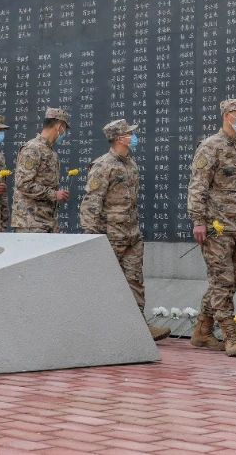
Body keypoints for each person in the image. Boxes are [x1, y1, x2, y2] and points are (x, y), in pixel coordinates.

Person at [80, 119, 169, 342]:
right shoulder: (102, 165)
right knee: (105, 282)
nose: (134, 137)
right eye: (130, 134)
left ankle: (138, 328)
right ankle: (97, 328)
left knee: (135, 280)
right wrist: (92, 238)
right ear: (120, 138)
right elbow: (91, 203)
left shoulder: (130, 163)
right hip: (111, 235)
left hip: (132, 234)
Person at [187, 98, 236, 358]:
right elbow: (198, 186)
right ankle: (230, 336)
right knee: (222, 281)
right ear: (227, 115)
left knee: (228, 282)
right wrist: (198, 221)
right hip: (216, 227)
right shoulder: (209, 147)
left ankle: (202, 331)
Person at [12, 109, 70, 233]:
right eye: (65, 128)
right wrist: (54, 194)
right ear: (59, 126)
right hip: (30, 223)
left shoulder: (50, 151)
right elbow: (23, 184)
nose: (65, 133)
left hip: (46, 222)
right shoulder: (33, 148)